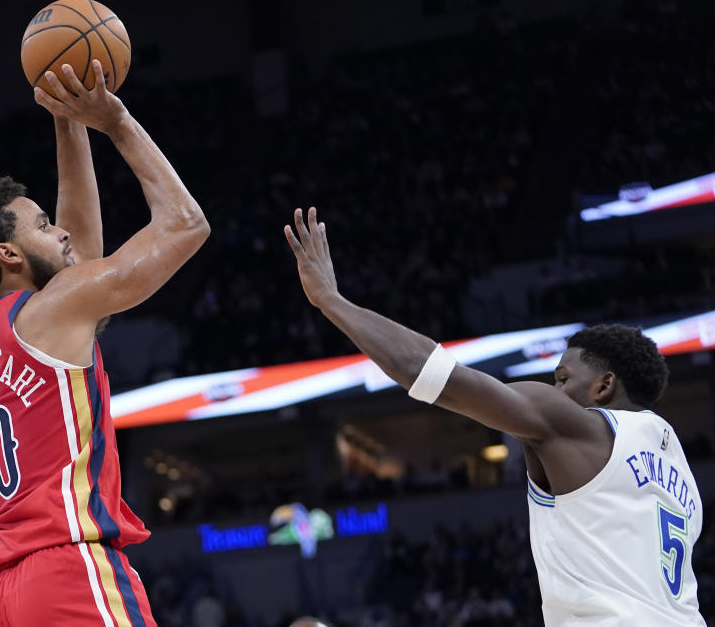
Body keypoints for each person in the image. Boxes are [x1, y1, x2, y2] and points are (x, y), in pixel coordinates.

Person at [284, 207, 704, 625]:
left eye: (563, 379)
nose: (556, 391)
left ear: (604, 386)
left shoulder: (577, 425)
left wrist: (331, 301)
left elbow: (428, 373)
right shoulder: (681, 475)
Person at [0, 60, 209, 627]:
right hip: (70, 569)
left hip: (5, 596)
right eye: (39, 225)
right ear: (7, 255)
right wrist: (116, 120)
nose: (57, 229)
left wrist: (67, 122)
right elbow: (185, 225)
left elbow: (77, 250)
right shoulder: (53, 310)